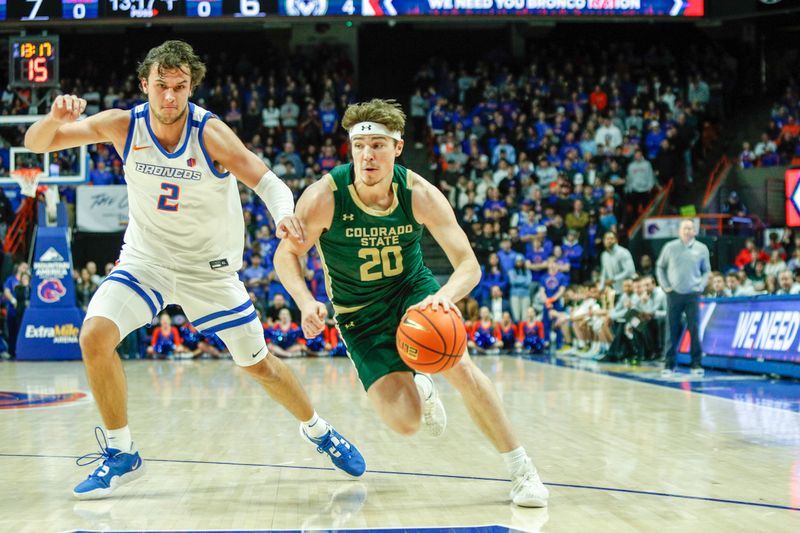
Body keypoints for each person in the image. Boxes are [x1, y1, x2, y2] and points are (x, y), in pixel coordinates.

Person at [24, 40, 364, 500]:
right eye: (160, 86)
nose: (169, 97)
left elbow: (268, 181)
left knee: (259, 366)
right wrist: (53, 121)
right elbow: (35, 144)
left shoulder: (210, 134)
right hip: (147, 260)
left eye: (179, 87)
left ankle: (318, 430)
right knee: (93, 337)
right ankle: (123, 453)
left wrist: (284, 214)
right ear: (144, 84)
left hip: (209, 271)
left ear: (191, 87)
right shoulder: (123, 124)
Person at [273, 99, 548, 507]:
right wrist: (304, 299)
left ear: (397, 148)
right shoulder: (324, 197)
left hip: (411, 292)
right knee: (406, 423)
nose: (368, 154)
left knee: (463, 369)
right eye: (361, 145)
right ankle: (422, 382)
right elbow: (286, 255)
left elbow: (469, 265)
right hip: (357, 314)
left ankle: (522, 470)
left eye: (379, 145)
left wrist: (441, 298)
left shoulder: (419, 193)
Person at [656, 219, 710, 378]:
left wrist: (701, 286)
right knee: (671, 329)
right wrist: (665, 286)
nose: (687, 231)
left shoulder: (702, 249)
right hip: (674, 294)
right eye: (685, 228)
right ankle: (669, 364)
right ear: (679, 231)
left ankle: (696, 364)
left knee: (694, 328)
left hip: (693, 294)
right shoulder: (670, 247)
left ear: (695, 231)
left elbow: (707, 270)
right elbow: (660, 267)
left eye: (690, 228)